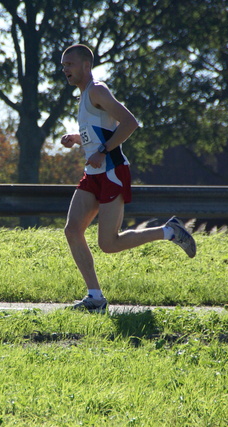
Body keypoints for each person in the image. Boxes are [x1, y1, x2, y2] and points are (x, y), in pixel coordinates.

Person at [60, 44, 196, 313]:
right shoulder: (84, 96)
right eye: (63, 65)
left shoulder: (97, 89)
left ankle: (169, 231)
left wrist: (103, 150)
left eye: (70, 64)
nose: (65, 70)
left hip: (112, 171)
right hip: (93, 172)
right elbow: (102, 131)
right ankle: (95, 298)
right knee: (72, 230)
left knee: (108, 244)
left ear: (86, 66)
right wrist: (77, 139)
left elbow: (130, 123)